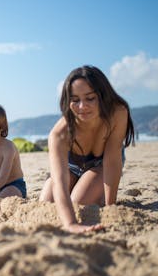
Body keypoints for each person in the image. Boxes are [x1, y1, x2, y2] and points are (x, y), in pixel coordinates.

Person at [39, 65, 135, 233]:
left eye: (90, 98)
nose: (82, 106)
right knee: (46, 205)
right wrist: (70, 224)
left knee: (77, 203)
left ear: (102, 96)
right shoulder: (59, 134)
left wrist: (110, 205)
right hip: (70, 167)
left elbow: (112, 160)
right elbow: (60, 183)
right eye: (75, 100)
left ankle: (90, 190)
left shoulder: (118, 113)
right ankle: (78, 183)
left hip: (101, 164)